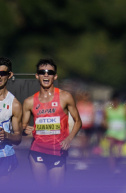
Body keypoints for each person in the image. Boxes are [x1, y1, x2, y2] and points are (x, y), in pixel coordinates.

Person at [22, 58, 82, 186]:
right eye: (42, 72)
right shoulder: (29, 101)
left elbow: (78, 121)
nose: (46, 75)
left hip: (57, 150)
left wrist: (69, 139)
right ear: (37, 76)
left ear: (55, 76)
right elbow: (22, 126)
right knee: (40, 190)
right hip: (37, 150)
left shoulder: (65, 97)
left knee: (55, 191)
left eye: (49, 72)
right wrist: (24, 129)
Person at [103, 92, 126, 173]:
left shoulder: (124, 108)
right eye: (114, 100)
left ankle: (117, 163)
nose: (116, 102)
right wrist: (105, 125)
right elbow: (104, 120)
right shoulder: (108, 109)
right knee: (111, 147)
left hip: (121, 132)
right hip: (111, 132)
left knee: (119, 153)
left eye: (117, 100)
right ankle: (113, 167)